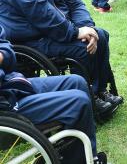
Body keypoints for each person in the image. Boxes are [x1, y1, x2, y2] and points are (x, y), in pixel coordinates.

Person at [0, 25, 107, 164]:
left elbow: (8, 52)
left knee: (76, 82)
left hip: (8, 83)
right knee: (77, 102)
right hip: (4, 103)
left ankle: (82, 157)